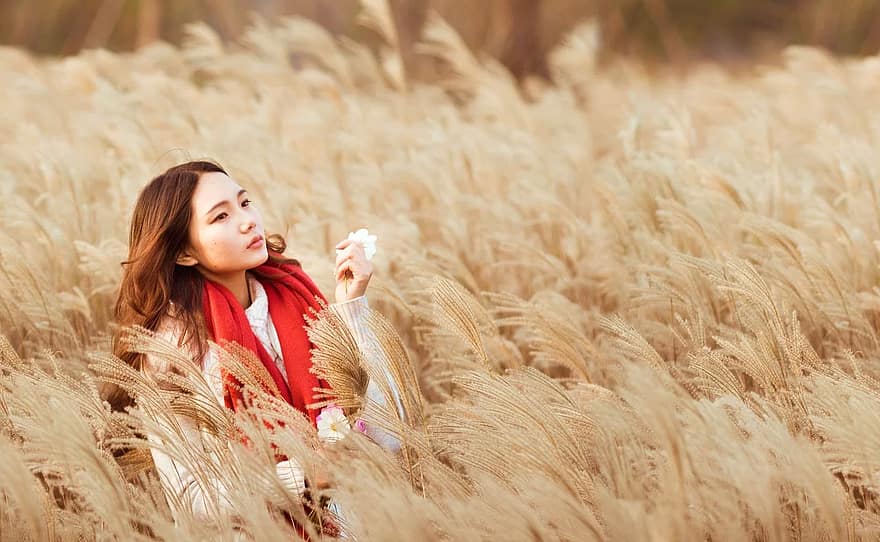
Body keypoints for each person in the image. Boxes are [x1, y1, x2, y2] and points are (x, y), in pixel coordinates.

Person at [109, 160, 401, 534]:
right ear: (184, 253)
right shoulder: (175, 351)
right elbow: (191, 498)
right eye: (220, 217)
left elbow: (389, 434)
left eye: (245, 203)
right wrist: (303, 475)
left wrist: (351, 308)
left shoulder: (300, 304)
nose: (247, 221)